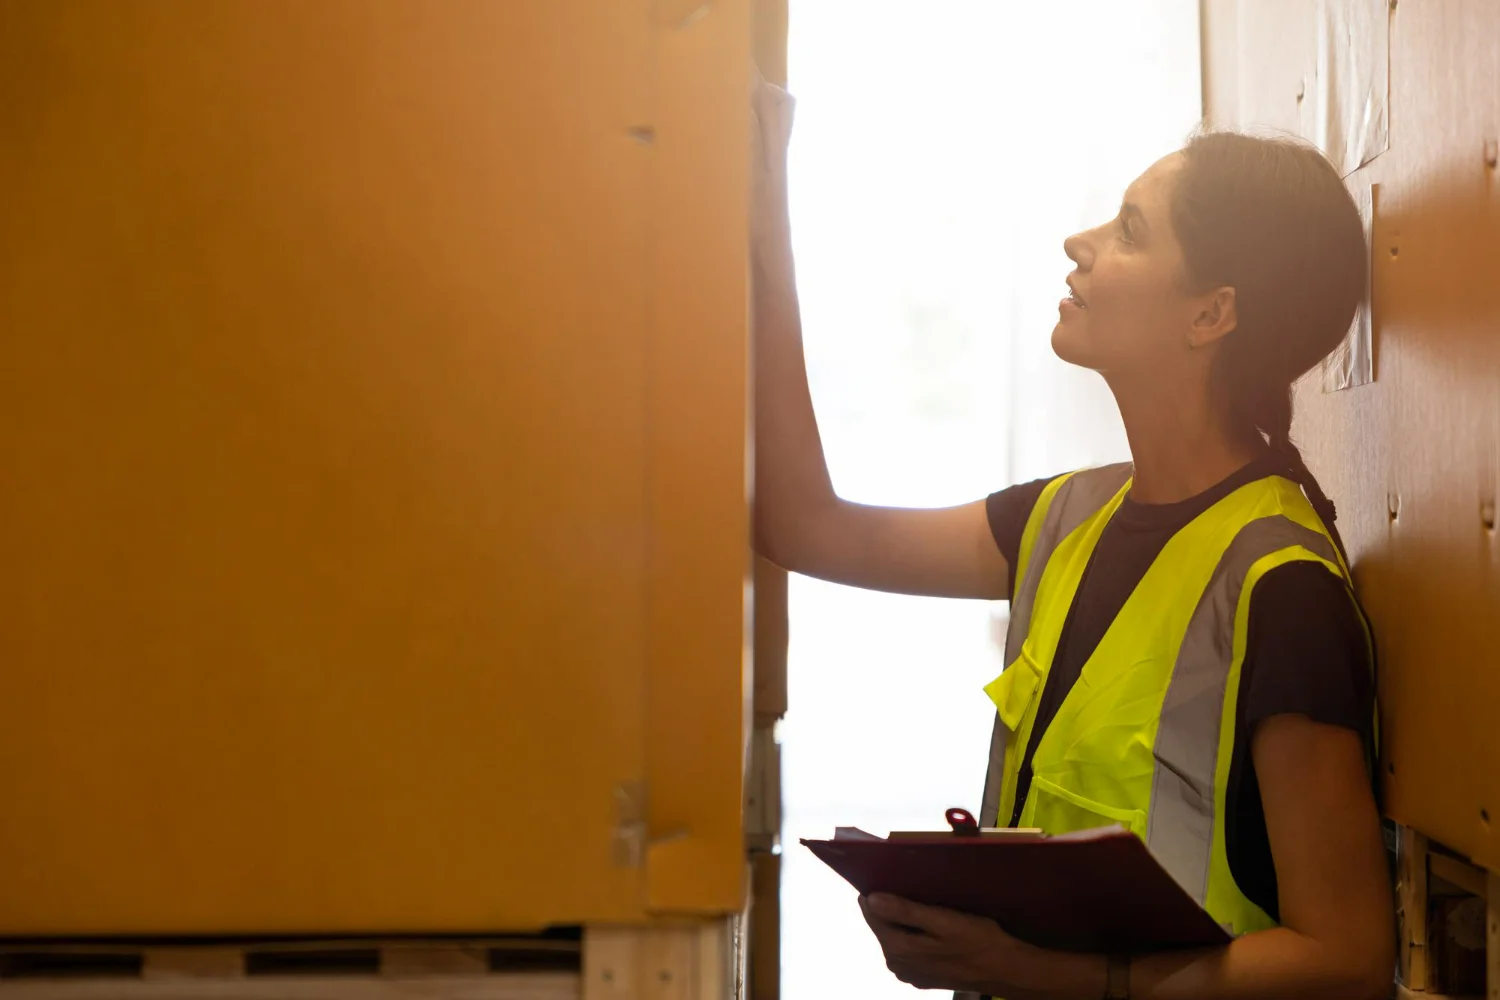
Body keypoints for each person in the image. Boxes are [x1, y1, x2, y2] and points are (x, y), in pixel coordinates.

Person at [751, 122, 1394, 1000]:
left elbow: (1346, 956)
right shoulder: (1062, 517)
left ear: (1211, 313)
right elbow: (807, 529)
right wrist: (760, 240)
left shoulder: (1281, 585)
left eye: (1129, 230)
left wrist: (1044, 974)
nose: (1079, 244)